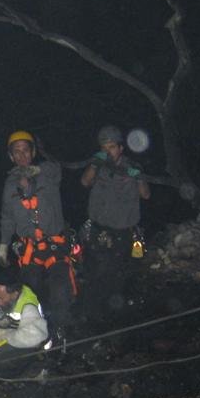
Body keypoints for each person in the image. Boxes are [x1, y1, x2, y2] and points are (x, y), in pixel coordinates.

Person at [0, 130, 74, 345]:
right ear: (11, 156)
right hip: (30, 249)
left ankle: (62, 335)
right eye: (16, 152)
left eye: (25, 150)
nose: (21, 155)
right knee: (31, 295)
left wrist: (37, 169)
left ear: (32, 152)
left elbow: (57, 169)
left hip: (55, 245)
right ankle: (37, 336)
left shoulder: (47, 173)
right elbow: (7, 217)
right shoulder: (9, 185)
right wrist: (3, 244)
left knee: (60, 290)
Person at [79, 125, 150, 323]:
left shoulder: (132, 167)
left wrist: (139, 178)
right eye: (104, 147)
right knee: (94, 273)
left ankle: (114, 315)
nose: (107, 151)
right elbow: (85, 182)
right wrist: (94, 164)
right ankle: (90, 315)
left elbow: (146, 195)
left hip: (123, 233)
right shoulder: (99, 165)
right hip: (98, 231)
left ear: (120, 148)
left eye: (111, 147)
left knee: (117, 274)